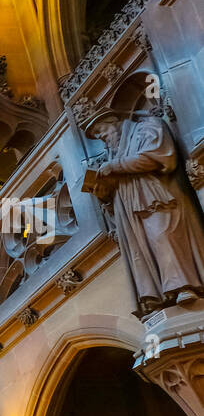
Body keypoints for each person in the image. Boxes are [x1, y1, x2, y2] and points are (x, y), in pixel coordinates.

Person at [86, 110, 204, 312]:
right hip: (131, 211)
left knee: (163, 235)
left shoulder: (146, 127)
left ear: (113, 121)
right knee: (143, 250)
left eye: (100, 130)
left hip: (156, 198)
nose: (100, 138)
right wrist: (104, 190)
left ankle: (185, 285)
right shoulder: (113, 151)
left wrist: (115, 165)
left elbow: (160, 157)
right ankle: (162, 296)